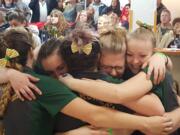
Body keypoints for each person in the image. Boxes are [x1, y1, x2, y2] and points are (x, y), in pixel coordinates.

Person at [0, 27, 173, 135]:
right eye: (51, 72)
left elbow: (120, 97)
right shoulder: (40, 80)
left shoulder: (38, 79)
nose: (57, 76)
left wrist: (161, 57)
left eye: (61, 69)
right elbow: (97, 114)